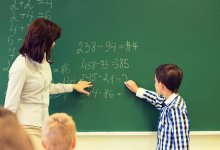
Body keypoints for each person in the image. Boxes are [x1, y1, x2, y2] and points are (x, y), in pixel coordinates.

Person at [4, 18, 92, 150]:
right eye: (52, 40)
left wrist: (73, 86)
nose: (54, 44)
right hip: (26, 128)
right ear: (42, 40)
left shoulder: (42, 60)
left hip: (44, 127)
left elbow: (45, 88)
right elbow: (10, 105)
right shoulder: (20, 67)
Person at [125, 64, 190, 150]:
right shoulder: (170, 101)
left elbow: (182, 146)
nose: (154, 84)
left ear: (162, 85)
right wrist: (137, 90)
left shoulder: (175, 109)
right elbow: (157, 99)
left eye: (156, 82)